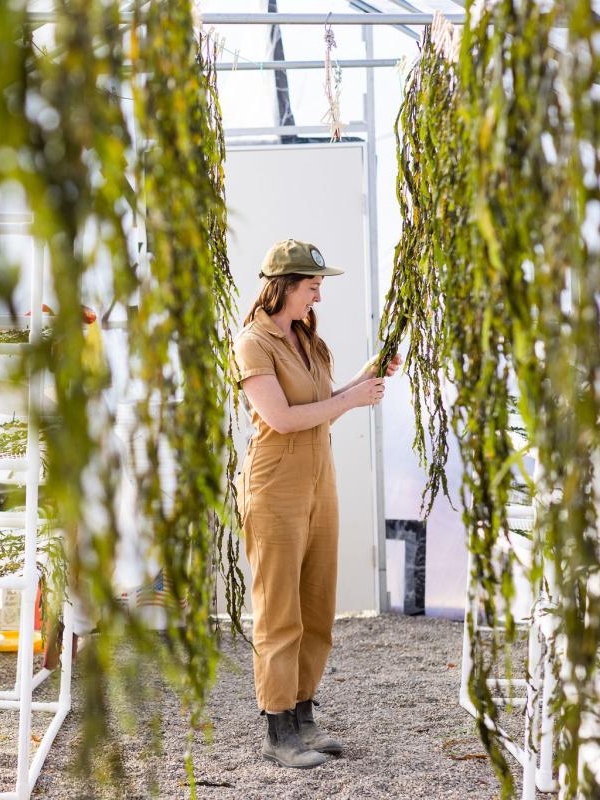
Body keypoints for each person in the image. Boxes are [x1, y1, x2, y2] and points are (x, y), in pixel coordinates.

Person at [232, 239, 401, 769]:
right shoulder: (254, 343)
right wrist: (350, 398)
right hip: (275, 484)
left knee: (316, 606)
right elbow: (281, 418)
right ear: (283, 287)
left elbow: (323, 408)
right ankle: (278, 729)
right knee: (280, 609)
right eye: (312, 286)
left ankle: (304, 715)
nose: (318, 297)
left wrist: (367, 375)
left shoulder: (308, 341)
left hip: (318, 480)